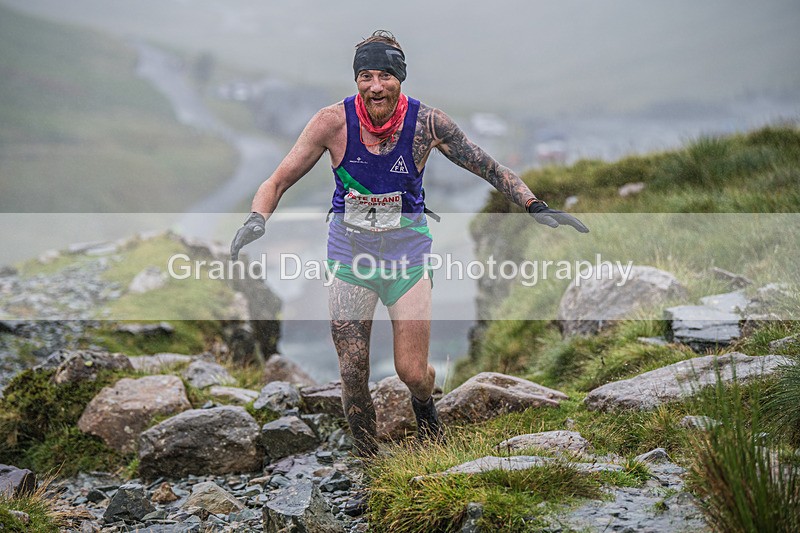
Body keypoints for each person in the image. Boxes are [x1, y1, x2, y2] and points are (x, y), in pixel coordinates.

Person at [231, 29, 587, 463]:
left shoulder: (428, 124)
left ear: (400, 78)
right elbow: (277, 180)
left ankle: (426, 409)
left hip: (408, 258)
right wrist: (256, 219)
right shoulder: (332, 123)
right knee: (353, 369)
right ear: (356, 79)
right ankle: (368, 462)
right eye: (365, 76)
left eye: (385, 75)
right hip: (350, 257)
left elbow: (489, 167)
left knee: (412, 372)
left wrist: (535, 205)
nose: (375, 86)